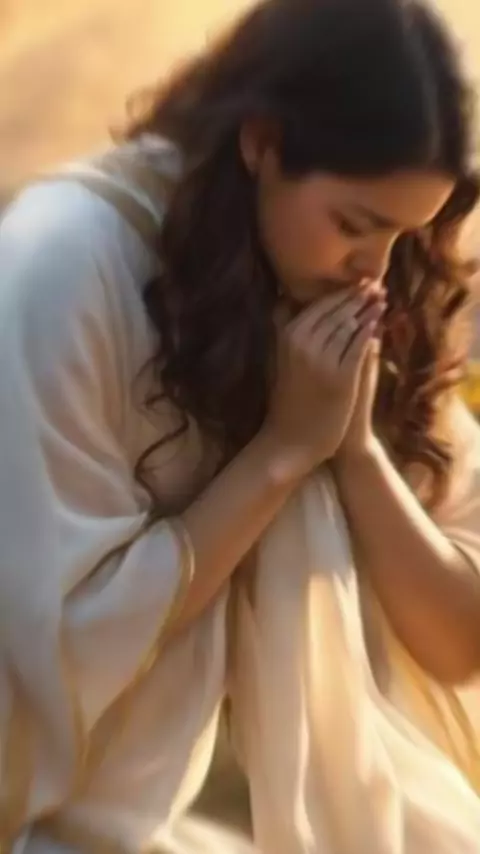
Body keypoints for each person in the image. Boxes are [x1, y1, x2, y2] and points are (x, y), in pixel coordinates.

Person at [2, 0, 480, 851]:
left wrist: (355, 452)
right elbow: (53, 652)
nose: (375, 268)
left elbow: (460, 639)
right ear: (260, 142)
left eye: (405, 235)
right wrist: (282, 453)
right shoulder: (66, 263)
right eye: (355, 225)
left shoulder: (358, 298)